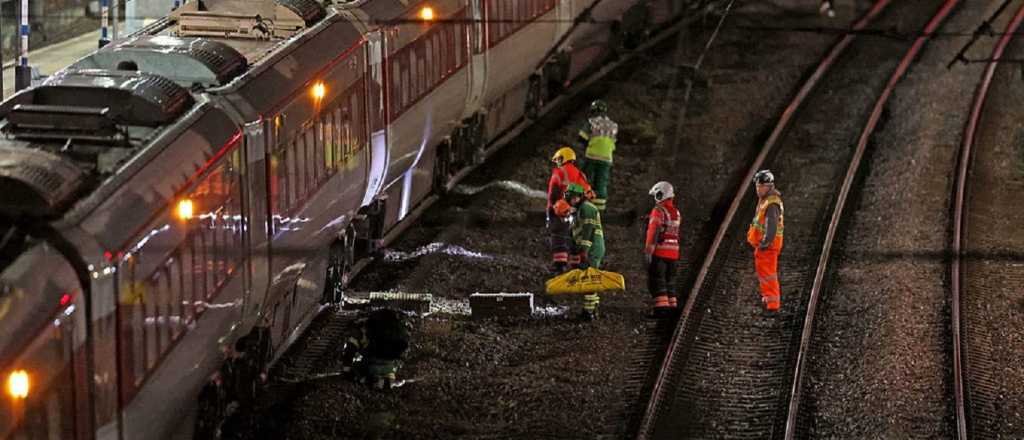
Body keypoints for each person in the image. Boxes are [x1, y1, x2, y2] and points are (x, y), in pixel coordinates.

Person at [341, 308, 410, 389]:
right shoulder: (399, 330)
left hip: (371, 363)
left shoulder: (364, 329)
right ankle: (381, 380)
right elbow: (405, 346)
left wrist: (347, 370)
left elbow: (350, 349)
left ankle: (368, 379)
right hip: (388, 363)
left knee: (360, 370)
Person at [747, 170, 784, 312]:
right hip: (764, 246)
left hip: (768, 246)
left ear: (768, 186)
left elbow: (771, 226)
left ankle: (773, 304)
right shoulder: (767, 200)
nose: (758, 189)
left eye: (760, 186)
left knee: (769, 274)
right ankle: (768, 299)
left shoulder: (772, 203)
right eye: (757, 186)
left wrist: (765, 243)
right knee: (764, 273)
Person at [566, 183, 605, 320]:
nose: (572, 200)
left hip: (592, 248)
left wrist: (584, 250)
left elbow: (588, 231)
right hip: (589, 248)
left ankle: (589, 312)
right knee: (588, 277)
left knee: (589, 279)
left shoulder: (587, 208)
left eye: (574, 198)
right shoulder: (578, 210)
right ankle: (593, 309)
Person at [645, 181, 681, 313]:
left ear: (660, 195)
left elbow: (653, 232)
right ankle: (672, 306)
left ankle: (661, 309)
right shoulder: (676, 213)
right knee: (669, 281)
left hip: (660, 252)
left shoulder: (658, 210)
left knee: (657, 280)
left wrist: (649, 251)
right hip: (674, 254)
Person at [578, 100, 618, 211]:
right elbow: (614, 141)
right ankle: (599, 209)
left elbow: (582, 137)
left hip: (592, 156)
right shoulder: (613, 125)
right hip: (607, 159)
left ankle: (579, 203)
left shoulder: (592, 122)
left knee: (584, 179)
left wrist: (589, 144)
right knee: (601, 183)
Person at [549, 199, 575, 274]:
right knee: (561, 265)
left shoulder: (555, 221)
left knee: (559, 264)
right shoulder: (563, 224)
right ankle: (560, 273)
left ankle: (558, 271)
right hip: (562, 247)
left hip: (557, 248)